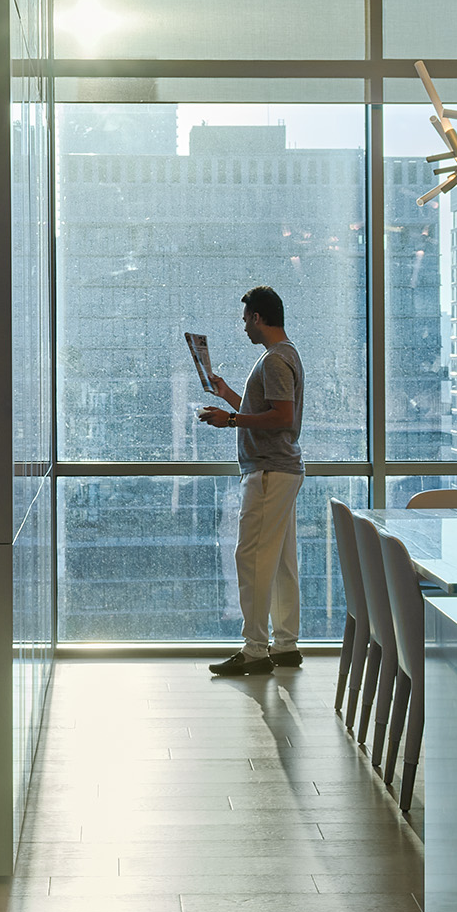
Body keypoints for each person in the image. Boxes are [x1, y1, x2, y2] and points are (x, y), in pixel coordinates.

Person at [197, 285, 303, 676]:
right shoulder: (284, 356)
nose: (243, 327)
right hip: (283, 469)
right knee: (280, 562)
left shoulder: (275, 361)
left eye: (245, 319)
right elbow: (271, 412)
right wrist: (229, 398)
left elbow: (282, 418)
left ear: (258, 318)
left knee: (252, 557)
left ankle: (255, 649)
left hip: (269, 471)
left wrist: (231, 421)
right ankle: (286, 644)